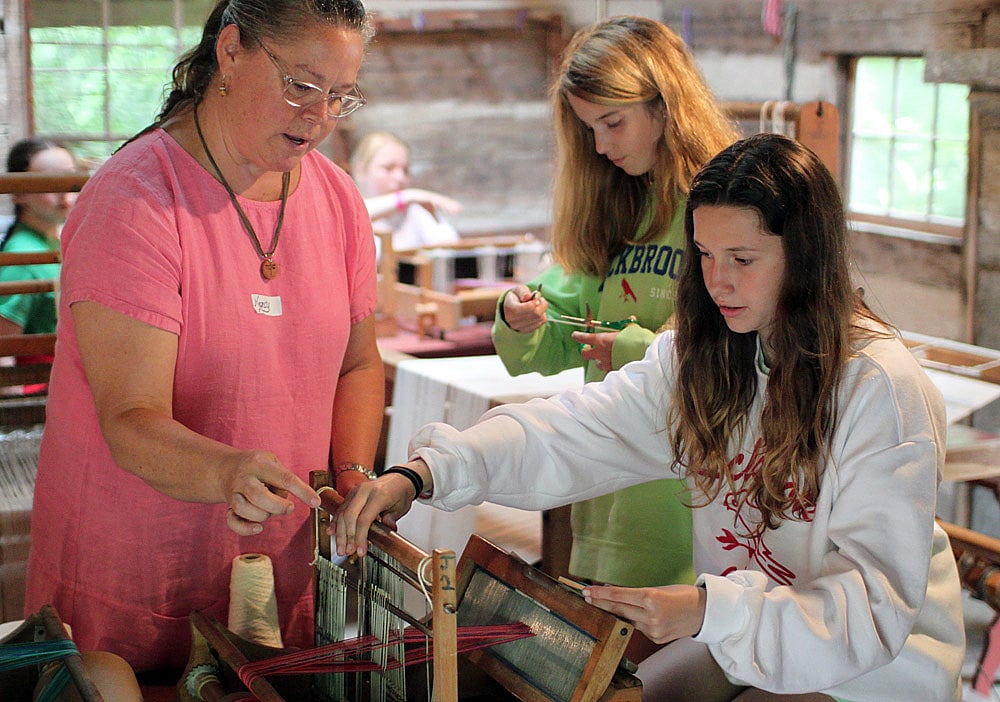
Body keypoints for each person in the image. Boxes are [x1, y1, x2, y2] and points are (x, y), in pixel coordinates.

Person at [333, 134, 966, 701]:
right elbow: (576, 426)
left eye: (743, 260)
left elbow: (872, 607)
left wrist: (706, 610)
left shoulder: (877, 387)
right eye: (706, 256)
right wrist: (424, 473)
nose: (717, 282)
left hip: (873, 664)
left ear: (806, 256)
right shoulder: (709, 355)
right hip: (746, 626)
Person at [24, 0, 384, 676]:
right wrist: (226, 471)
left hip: (275, 564)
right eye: (300, 85)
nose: (319, 116)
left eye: (340, 96)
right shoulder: (134, 201)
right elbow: (131, 419)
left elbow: (358, 364)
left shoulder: (336, 199)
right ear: (230, 52)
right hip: (138, 564)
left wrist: (354, 476)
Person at [491, 15, 739, 616]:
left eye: (612, 122)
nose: (601, 145)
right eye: (588, 128)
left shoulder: (725, 207)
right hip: (609, 499)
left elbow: (736, 349)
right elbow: (559, 325)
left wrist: (631, 351)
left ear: (664, 105)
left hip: (689, 503)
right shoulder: (615, 207)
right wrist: (518, 316)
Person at [0, 138, 75, 332]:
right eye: (49, 182)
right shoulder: (22, 257)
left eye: (70, 180)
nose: (64, 193)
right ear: (18, 193)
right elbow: (5, 348)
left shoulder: (59, 242)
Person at [350, 130, 462, 256]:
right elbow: (357, 214)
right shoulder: (348, 207)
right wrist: (408, 196)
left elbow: (450, 249)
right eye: (388, 168)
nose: (400, 177)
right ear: (361, 170)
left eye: (405, 170)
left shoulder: (413, 210)